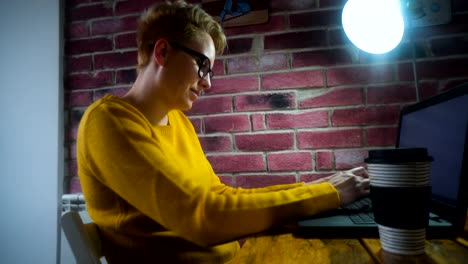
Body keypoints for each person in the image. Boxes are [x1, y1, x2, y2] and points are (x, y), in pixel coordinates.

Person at [76, 1, 370, 263]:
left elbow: (219, 195)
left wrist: (320, 188)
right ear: (163, 51)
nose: (207, 83)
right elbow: (203, 216)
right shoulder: (109, 122)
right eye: (203, 65)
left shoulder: (179, 123)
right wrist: (326, 194)